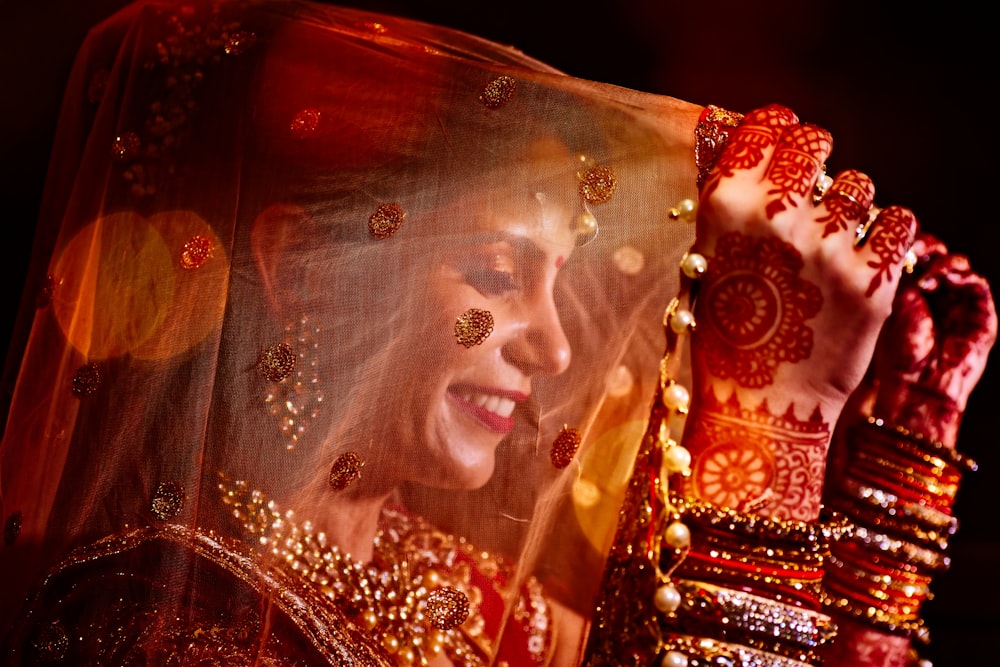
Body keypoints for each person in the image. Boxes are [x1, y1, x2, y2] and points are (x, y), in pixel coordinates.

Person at [0, 1, 992, 666]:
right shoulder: (160, 624)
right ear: (301, 272)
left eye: (563, 283)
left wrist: (890, 473)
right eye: (494, 275)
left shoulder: (451, 584)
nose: (556, 347)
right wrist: (770, 426)